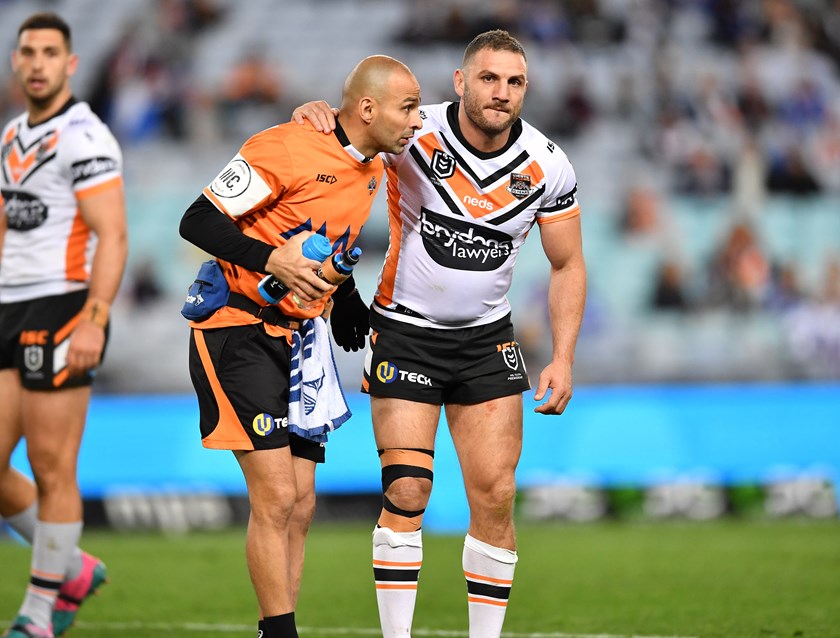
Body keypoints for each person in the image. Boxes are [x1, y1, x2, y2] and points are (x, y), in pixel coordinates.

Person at [293, 29, 586, 638]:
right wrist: (315, 117)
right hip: (404, 331)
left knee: (497, 496)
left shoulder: (548, 165)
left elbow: (567, 264)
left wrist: (562, 357)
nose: (501, 93)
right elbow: (338, 144)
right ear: (460, 81)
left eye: (514, 82)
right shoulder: (411, 132)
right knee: (406, 490)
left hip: (487, 339)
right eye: (488, 78)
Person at [178, 55, 421, 638]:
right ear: (368, 108)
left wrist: (346, 301)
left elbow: (321, 240)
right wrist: (270, 262)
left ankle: (275, 628)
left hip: (302, 338)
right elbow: (196, 220)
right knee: (278, 496)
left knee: (303, 503)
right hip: (237, 327)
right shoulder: (284, 147)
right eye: (407, 107)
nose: (416, 120)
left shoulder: (371, 168)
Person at [0, 13, 128, 638]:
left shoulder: (85, 135)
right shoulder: (11, 135)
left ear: (70, 64)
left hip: (61, 304)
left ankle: (40, 611)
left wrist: (94, 319)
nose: (38, 63)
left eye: (51, 52)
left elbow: (113, 233)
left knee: (53, 465)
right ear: (16, 62)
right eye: (28, 52)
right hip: (7, 307)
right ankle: (72, 568)